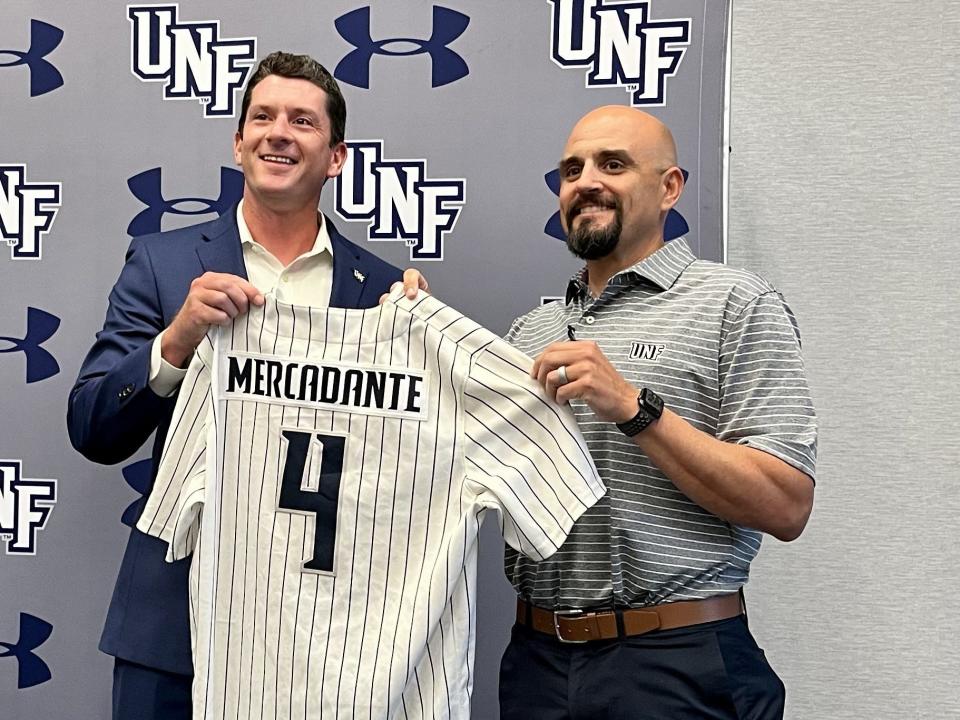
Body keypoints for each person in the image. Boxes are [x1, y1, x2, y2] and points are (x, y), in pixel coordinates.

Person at [398, 106, 817, 719]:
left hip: (675, 663)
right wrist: (412, 341)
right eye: (571, 169)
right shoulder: (530, 330)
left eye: (612, 164)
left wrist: (631, 406)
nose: (585, 180)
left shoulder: (735, 303)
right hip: (536, 665)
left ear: (669, 187)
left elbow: (786, 505)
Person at [67, 51, 403, 720]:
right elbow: (94, 428)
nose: (279, 132)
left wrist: (414, 336)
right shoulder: (163, 264)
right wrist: (176, 341)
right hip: (173, 628)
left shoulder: (384, 294)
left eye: (302, 121)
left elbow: (399, 470)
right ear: (239, 142)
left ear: (336, 156)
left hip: (322, 636)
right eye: (263, 116)